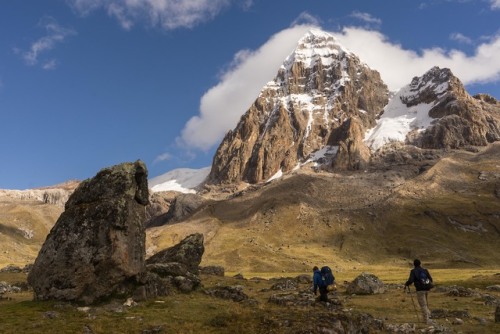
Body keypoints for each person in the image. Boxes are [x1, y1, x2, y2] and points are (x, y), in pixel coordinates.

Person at [405, 259, 433, 324]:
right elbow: (430, 279)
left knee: (423, 305)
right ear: (420, 264)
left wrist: (407, 284)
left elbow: (411, 280)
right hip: (427, 289)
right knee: (425, 304)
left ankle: (426, 320)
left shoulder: (413, 271)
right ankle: (428, 316)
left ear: (414, 265)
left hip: (420, 290)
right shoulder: (425, 270)